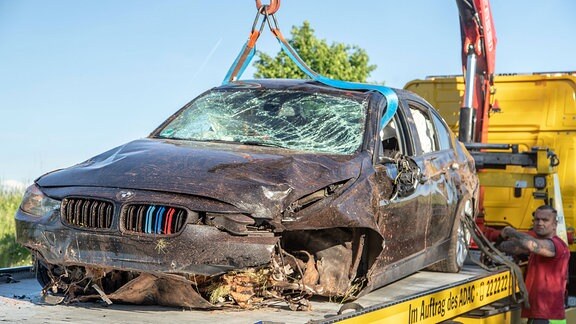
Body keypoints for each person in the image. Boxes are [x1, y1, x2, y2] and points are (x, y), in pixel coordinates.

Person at [498, 205, 570, 324]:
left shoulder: (556, 245)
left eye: (545, 220)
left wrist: (509, 231)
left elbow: (530, 244)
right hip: (539, 315)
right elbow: (514, 247)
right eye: (537, 219)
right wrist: (494, 243)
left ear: (554, 225)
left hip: (548, 316)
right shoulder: (540, 248)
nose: (539, 223)